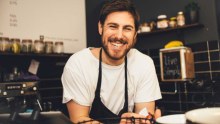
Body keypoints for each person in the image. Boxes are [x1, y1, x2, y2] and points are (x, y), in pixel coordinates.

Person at [61, 0, 162, 123]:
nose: (119, 36)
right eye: (113, 26)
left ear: (135, 34)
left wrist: (144, 120)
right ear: (100, 27)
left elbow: (144, 115)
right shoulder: (79, 64)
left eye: (127, 28)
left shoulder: (143, 63)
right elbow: (80, 120)